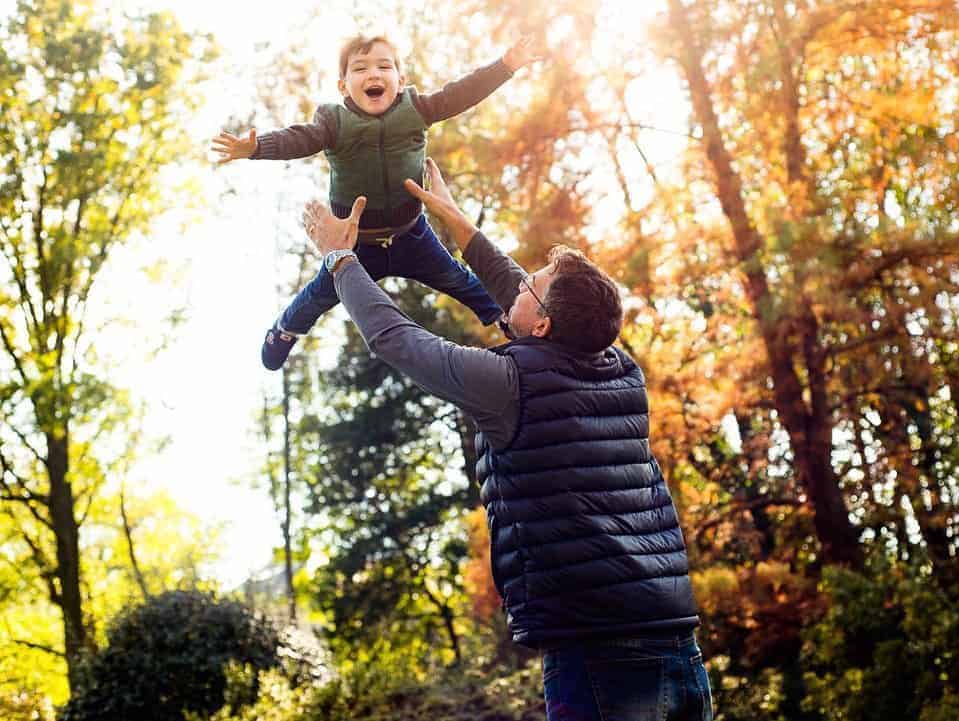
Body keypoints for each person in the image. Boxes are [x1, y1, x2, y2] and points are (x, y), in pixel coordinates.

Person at [302, 157, 713, 721]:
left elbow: (397, 339)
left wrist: (341, 259)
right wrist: (458, 224)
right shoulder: (620, 368)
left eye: (532, 286)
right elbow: (525, 299)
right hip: (676, 643)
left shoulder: (507, 383)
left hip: (598, 654)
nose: (518, 282)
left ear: (543, 323)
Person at [212, 34, 542, 370]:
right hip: (354, 243)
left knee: (459, 280)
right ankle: (283, 331)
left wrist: (505, 67)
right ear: (343, 86)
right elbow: (298, 138)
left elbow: (460, 93)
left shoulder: (418, 109)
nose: (373, 74)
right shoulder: (333, 123)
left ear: (401, 80)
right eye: (360, 68)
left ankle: (512, 320)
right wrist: (255, 148)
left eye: (384, 66)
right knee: (319, 294)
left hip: (412, 235)